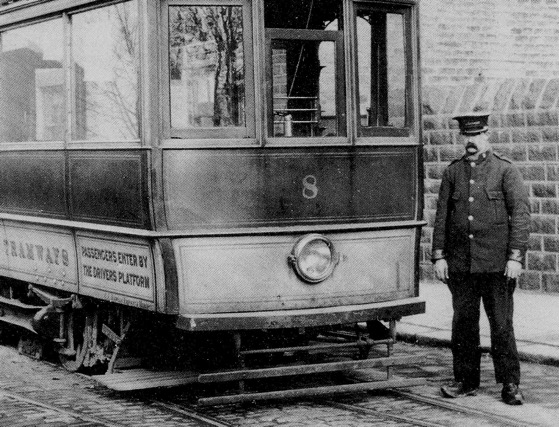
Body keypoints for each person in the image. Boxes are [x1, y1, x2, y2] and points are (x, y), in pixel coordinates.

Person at [431, 112, 530, 405]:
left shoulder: (505, 171)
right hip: (461, 265)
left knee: (501, 324)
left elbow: (521, 217)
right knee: (463, 323)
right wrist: (439, 256)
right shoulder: (453, 173)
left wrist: (515, 257)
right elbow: (441, 219)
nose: (471, 142)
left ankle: (510, 384)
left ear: (487, 136)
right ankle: (465, 380)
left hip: (497, 266)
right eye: (467, 137)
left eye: (476, 136)